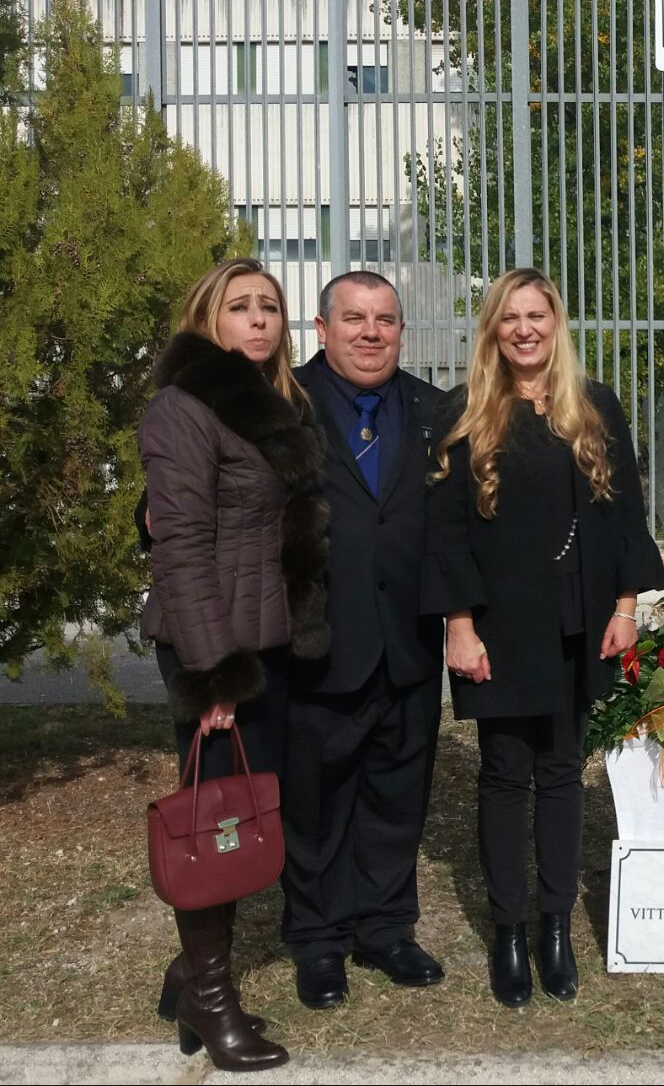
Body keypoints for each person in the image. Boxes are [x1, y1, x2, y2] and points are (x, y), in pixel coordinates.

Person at [424, 267, 664, 1006]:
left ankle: (555, 927)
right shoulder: (461, 411)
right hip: (495, 626)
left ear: (556, 323)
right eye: (510, 317)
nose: (525, 329)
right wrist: (458, 625)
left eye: (538, 315)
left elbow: (625, 512)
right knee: (503, 774)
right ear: (493, 329)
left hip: (576, 620)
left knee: (562, 771)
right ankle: (509, 932)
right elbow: (447, 530)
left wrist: (626, 605)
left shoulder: (595, 406)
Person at [138, 257, 330, 1071]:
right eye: (240, 307)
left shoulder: (278, 405)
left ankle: (190, 973)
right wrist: (214, 678)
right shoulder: (182, 409)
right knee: (216, 823)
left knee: (247, 806)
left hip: (269, 639)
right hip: (212, 644)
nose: (258, 320)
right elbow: (178, 547)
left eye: (270, 307)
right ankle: (212, 1000)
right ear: (207, 319)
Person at [280, 271, 447, 1009]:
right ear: (323, 328)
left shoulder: (434, 408)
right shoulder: (282, 404)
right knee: (314, 804)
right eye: (354, 318)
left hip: (409, 640)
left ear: (401, 331)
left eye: (384, 319)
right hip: (317, 642)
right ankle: (318, 941)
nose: (371, 332)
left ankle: (385, 927)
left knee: (395, 792)